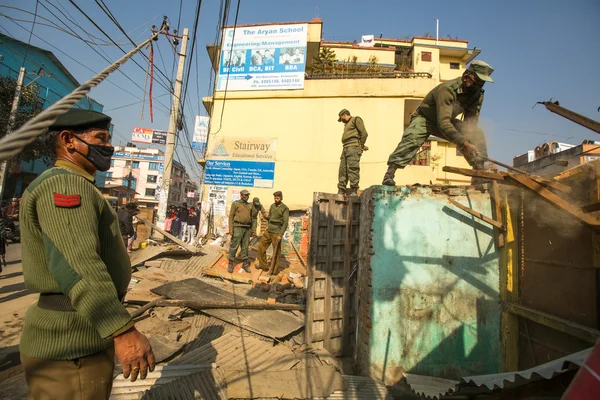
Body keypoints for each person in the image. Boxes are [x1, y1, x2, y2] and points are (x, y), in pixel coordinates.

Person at [18, 108, 154, 399]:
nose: (108, 146)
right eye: (99, 138)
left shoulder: (81, 185)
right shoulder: (64, 183)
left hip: (82, 337)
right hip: (70, 345)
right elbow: (79, 265)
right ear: (68, 140)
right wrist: (122, 330)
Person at [382, 60, 494, 186]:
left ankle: (479, 173)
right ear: (466, 77)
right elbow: (443, 124)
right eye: (477, 81)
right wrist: (464, 143)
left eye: (482, 83)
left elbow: (470, 123)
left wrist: (470, 142)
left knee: (476, 133)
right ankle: (389, 173)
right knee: (412, 139)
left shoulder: (477, 95)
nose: (480, 85)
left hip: (447, 121)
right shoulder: (447, 90)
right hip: (425, 119)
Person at [337, 109, 369, 196]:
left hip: (353, 147)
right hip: (346, 147)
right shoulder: (347, 124)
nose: (342, 121)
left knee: (352, 168)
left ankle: (354, 189)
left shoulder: (356, 119)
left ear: (344, 115)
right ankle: (341, 189)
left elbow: (364, 134)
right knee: (343, 170)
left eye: (341, 118)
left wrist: (360, 145)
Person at [257, 191, 289, 275]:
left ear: (281, 198)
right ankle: (263, 266)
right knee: (260, 246)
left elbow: (285, 223)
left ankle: (274, 271)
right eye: (275, 198)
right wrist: (266, 216)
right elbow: (270, 218)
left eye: (277, 198)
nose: (276, 199)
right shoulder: (272, 206)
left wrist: (280, 234)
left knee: (276, 252)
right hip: (269, 230)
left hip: (277, 232)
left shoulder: (284, 208)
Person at [227, 189, 258, 273]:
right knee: (234, 245)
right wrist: (230, 228)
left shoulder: (250, 205)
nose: (247, 197)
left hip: (247, 228)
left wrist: (253, 229)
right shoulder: (236, 204)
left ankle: (245, 264)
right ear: (241, 195)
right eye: (245, 195)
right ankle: (230, 263)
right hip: (237, 227)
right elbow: (231, 216)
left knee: (245, 246)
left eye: (248, 195)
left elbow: (254, 218)